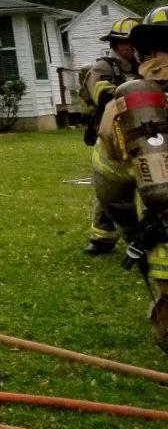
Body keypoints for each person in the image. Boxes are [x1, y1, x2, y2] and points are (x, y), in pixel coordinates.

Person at [91, 6, 168, 350]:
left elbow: (109, 182)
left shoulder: (129, 104)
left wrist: (132, 230)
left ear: (142, 51)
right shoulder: (105, 74)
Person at [81, 17, 140, 255]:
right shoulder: (103, 68)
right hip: (110, 136)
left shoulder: (141, 66)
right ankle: (102, 238)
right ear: (117, 45)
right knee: (111, 186)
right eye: (129, 44)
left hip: (139, 133)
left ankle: (141, 234)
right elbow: (103, 97)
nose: (134, 49)